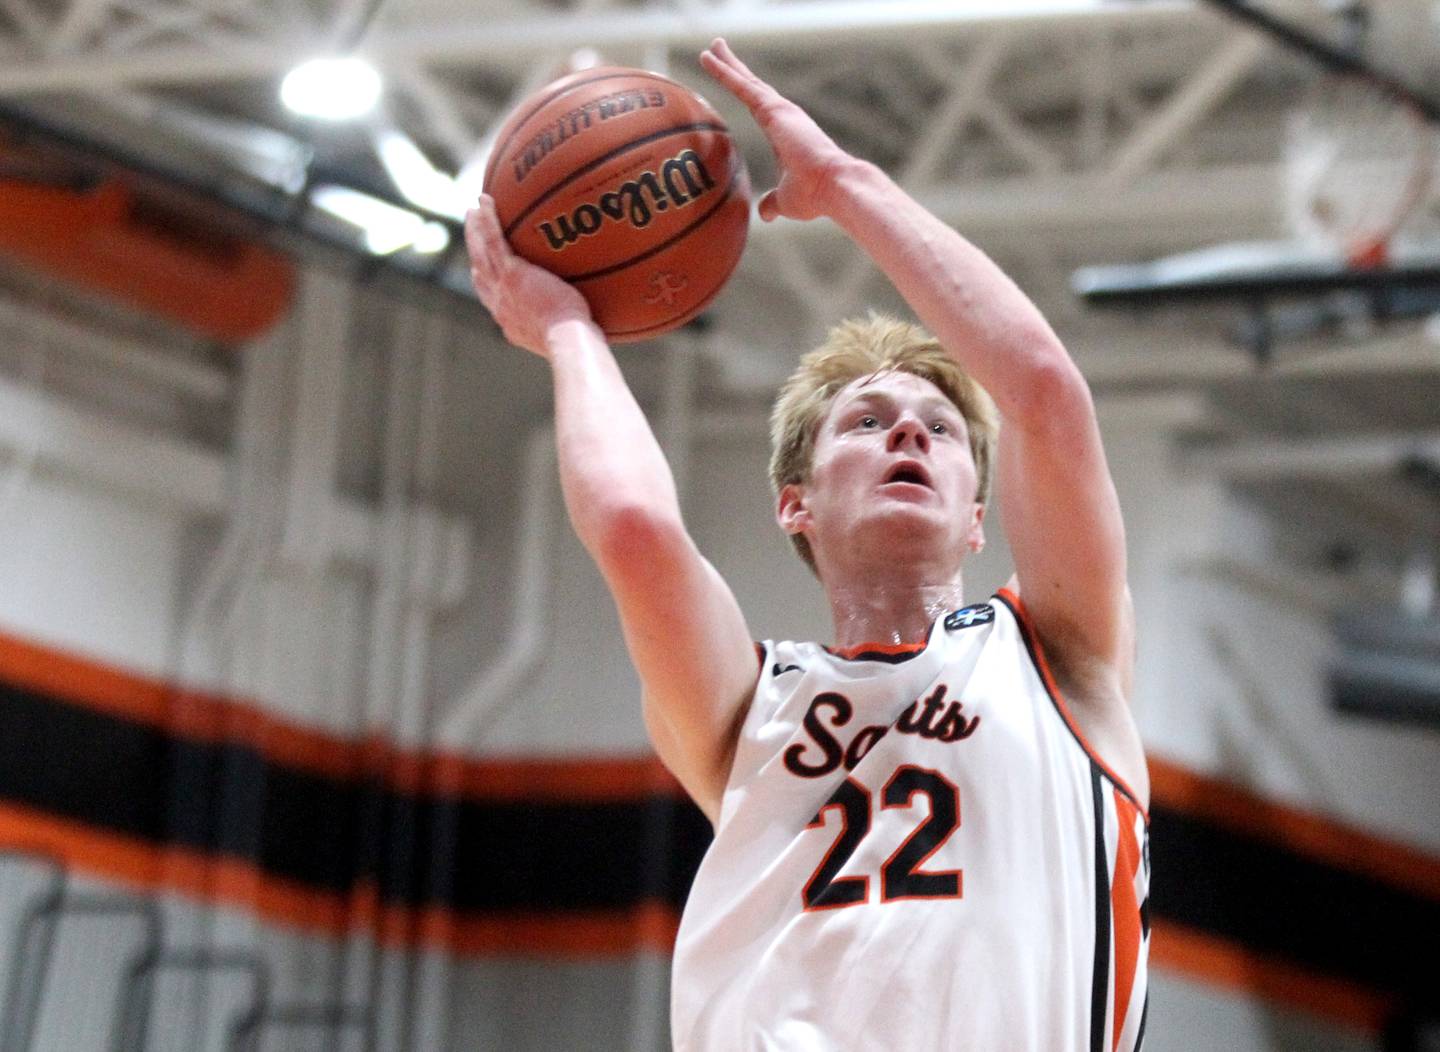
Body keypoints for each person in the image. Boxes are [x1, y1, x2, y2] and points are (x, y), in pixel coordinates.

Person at [465, 37, 1150, 1052]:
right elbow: (635, 528)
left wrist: (850, 187)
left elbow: (1043, 392)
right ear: (796, 504)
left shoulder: (1059, 651)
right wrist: (569, 330)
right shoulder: (747, 709)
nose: (909, 430)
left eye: (942, 428)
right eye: (866, 421)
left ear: (977, 517)